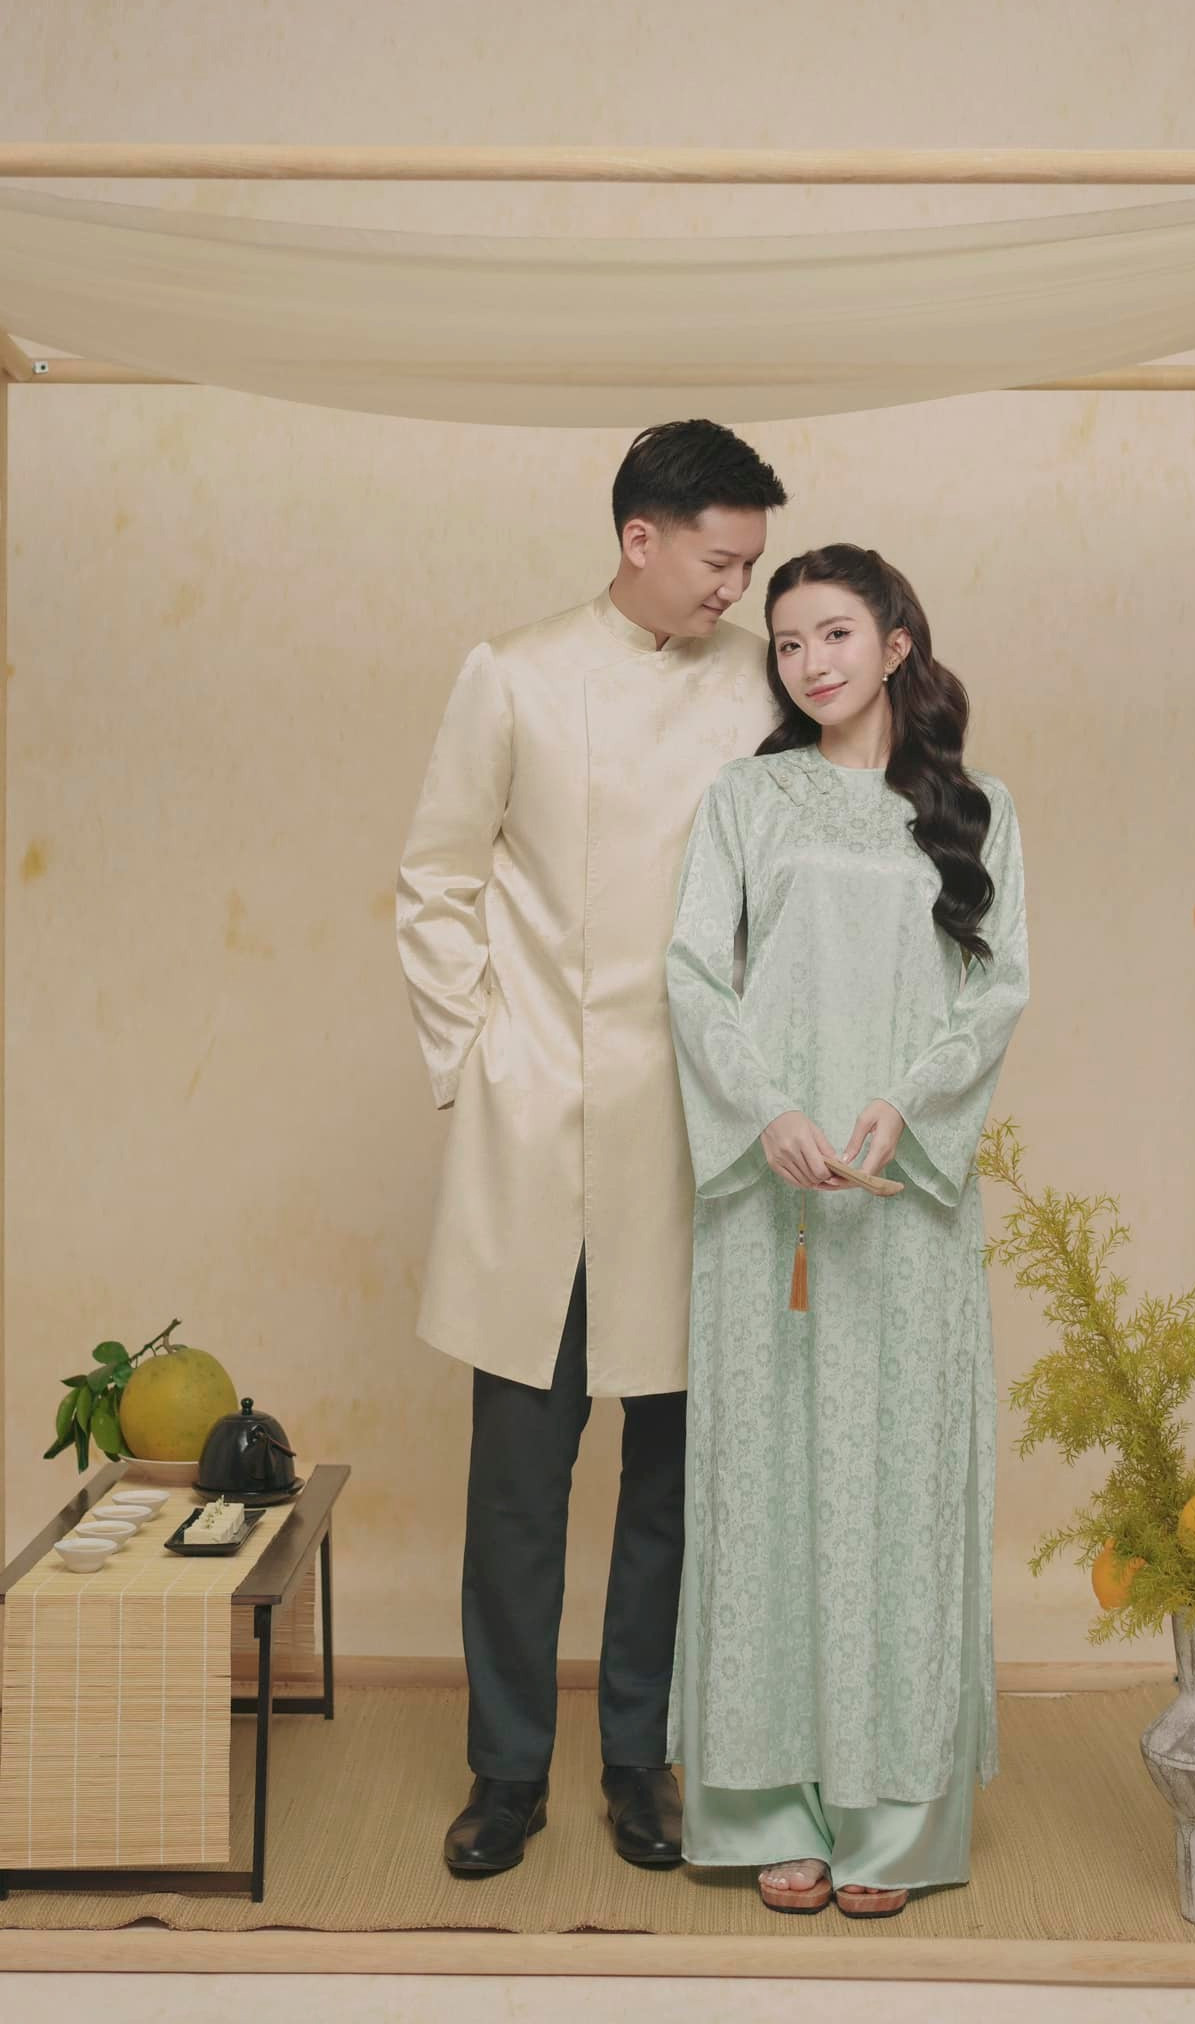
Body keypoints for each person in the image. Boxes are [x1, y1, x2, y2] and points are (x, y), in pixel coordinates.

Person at [396, 420, 787, 1877]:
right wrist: (478, 1058)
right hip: (542, 1124)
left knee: (672, 1481)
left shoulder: (759, 683)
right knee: (517, 1481)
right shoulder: (512, 672)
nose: (735, 590)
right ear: (640, 538)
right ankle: (506, 1772)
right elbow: (436, 875)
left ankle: (640, 1758)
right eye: (719, 560)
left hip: (699, 1127)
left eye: (749, 565)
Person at [665, 542, 1028, 1918]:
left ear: (895, 643)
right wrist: (764, 1112)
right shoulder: (745, 801)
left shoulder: (977, 812)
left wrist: (903, 1105)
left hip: (904, 1202)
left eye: (833, 634)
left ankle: (890, 1814)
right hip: (770, 1199)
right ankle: (771, 1806)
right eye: (786, 642)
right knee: (765, 1494)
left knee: (898, 1496)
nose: (809, 662)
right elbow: (694, 976)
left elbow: (995, 993)